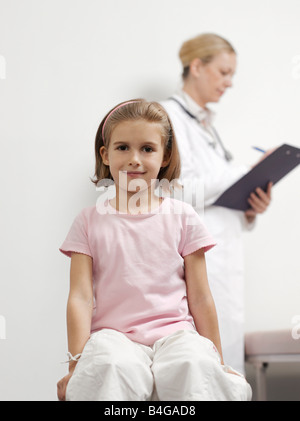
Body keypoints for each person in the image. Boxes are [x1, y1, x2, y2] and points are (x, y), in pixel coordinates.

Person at [57, 99, 251, 401]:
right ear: (105, 155)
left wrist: (218, 362)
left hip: (176, 335)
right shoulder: (88, 220)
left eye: (147, 149)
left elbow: (200, 297)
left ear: (164, 157)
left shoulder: (184, 217)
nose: (135, 158)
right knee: (109, 365)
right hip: (113, 336)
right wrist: (75, 366)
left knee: (195, 364)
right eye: (123, 148)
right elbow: (80, 298)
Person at [161, 33, 272, 374]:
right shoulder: (168, 116)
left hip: (224, 256)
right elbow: (173, 189)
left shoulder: (207, 125)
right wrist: (244, 172)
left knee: (226, 361)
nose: (229, 82)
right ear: (197, 66)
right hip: (196, 259)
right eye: (224, 72)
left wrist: (249, 206)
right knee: (203, 365)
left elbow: (215, 194)